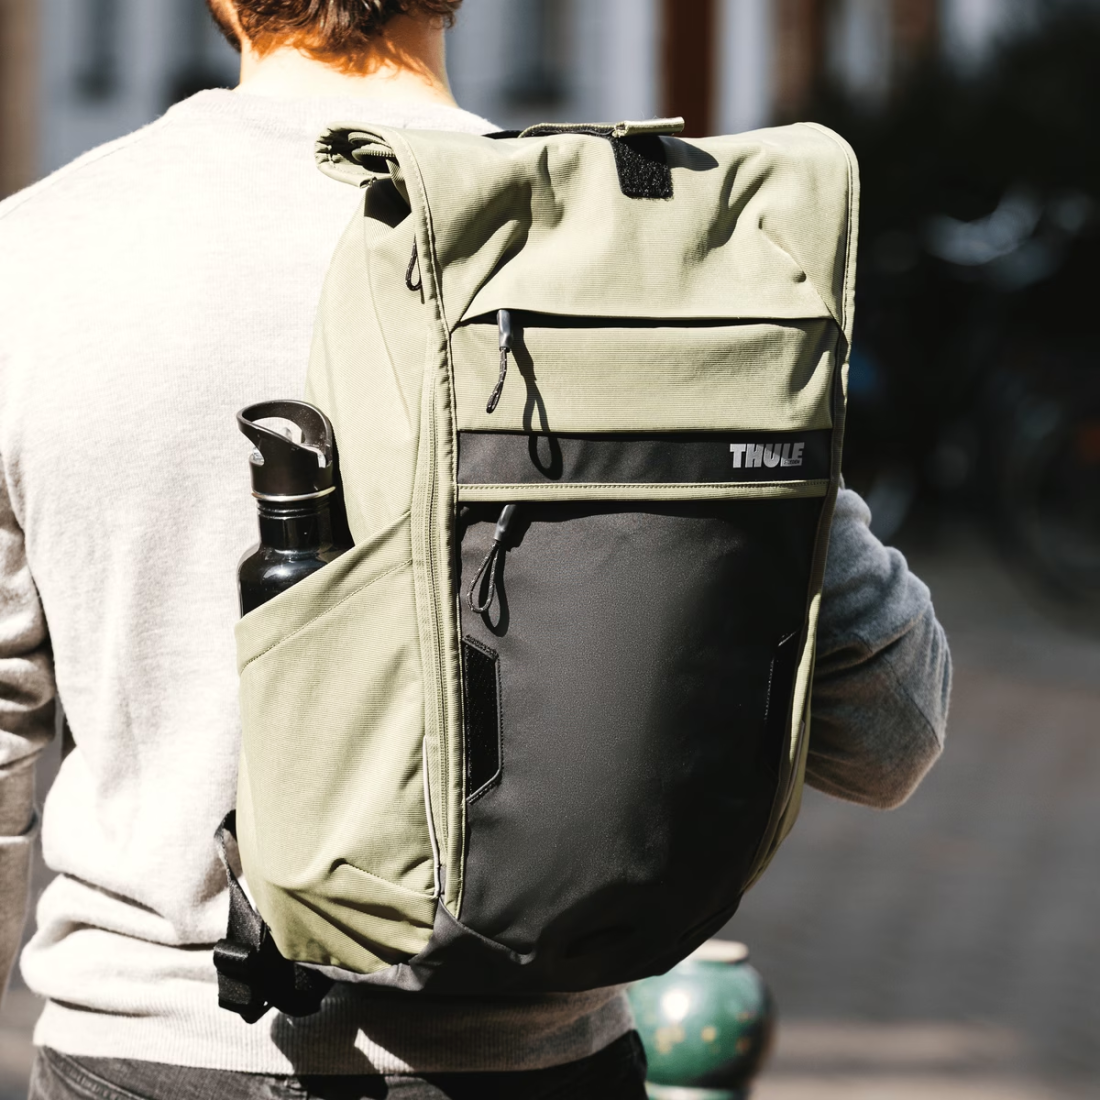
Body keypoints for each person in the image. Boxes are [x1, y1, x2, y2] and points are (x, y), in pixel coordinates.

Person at [0, 2, 952, 1097]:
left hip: (142, 1050)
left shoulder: (33, 257)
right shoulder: (640, 254)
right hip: (533, 1059)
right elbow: (891, 733)